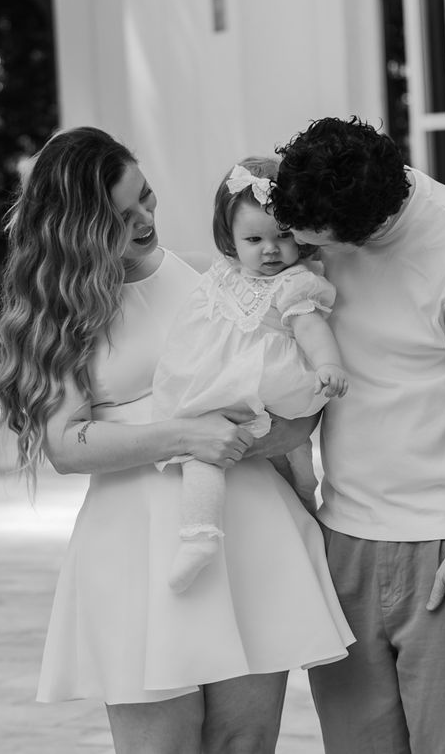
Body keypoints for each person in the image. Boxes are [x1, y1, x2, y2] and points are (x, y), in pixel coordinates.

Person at [0, 127, 355, 754]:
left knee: (245, 741)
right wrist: (185, 435)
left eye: (146, 196)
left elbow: (286, 386)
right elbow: (66, 446)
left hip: (247, 528)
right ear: (76, 227)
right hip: (136, 547)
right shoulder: (60, 309)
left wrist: (278, 433)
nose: (144, 220)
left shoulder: (207, 274)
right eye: (119, 216)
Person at [270, 116, 445, 754]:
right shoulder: (313, 208)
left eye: (311, 238)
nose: (293, 245)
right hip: (345, 541)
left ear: (365, 231)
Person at [152, 157, 349, 593]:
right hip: (228, 387)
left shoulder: (296, 282)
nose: (270, 250)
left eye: (283, 236)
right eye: (254, 239)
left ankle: (305, 517)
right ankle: (200, 535)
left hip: (272, 384)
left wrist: (328, 364)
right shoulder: (224, 273)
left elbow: (310, 328)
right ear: (231, 238)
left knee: (293, 461)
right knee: (204, 451)